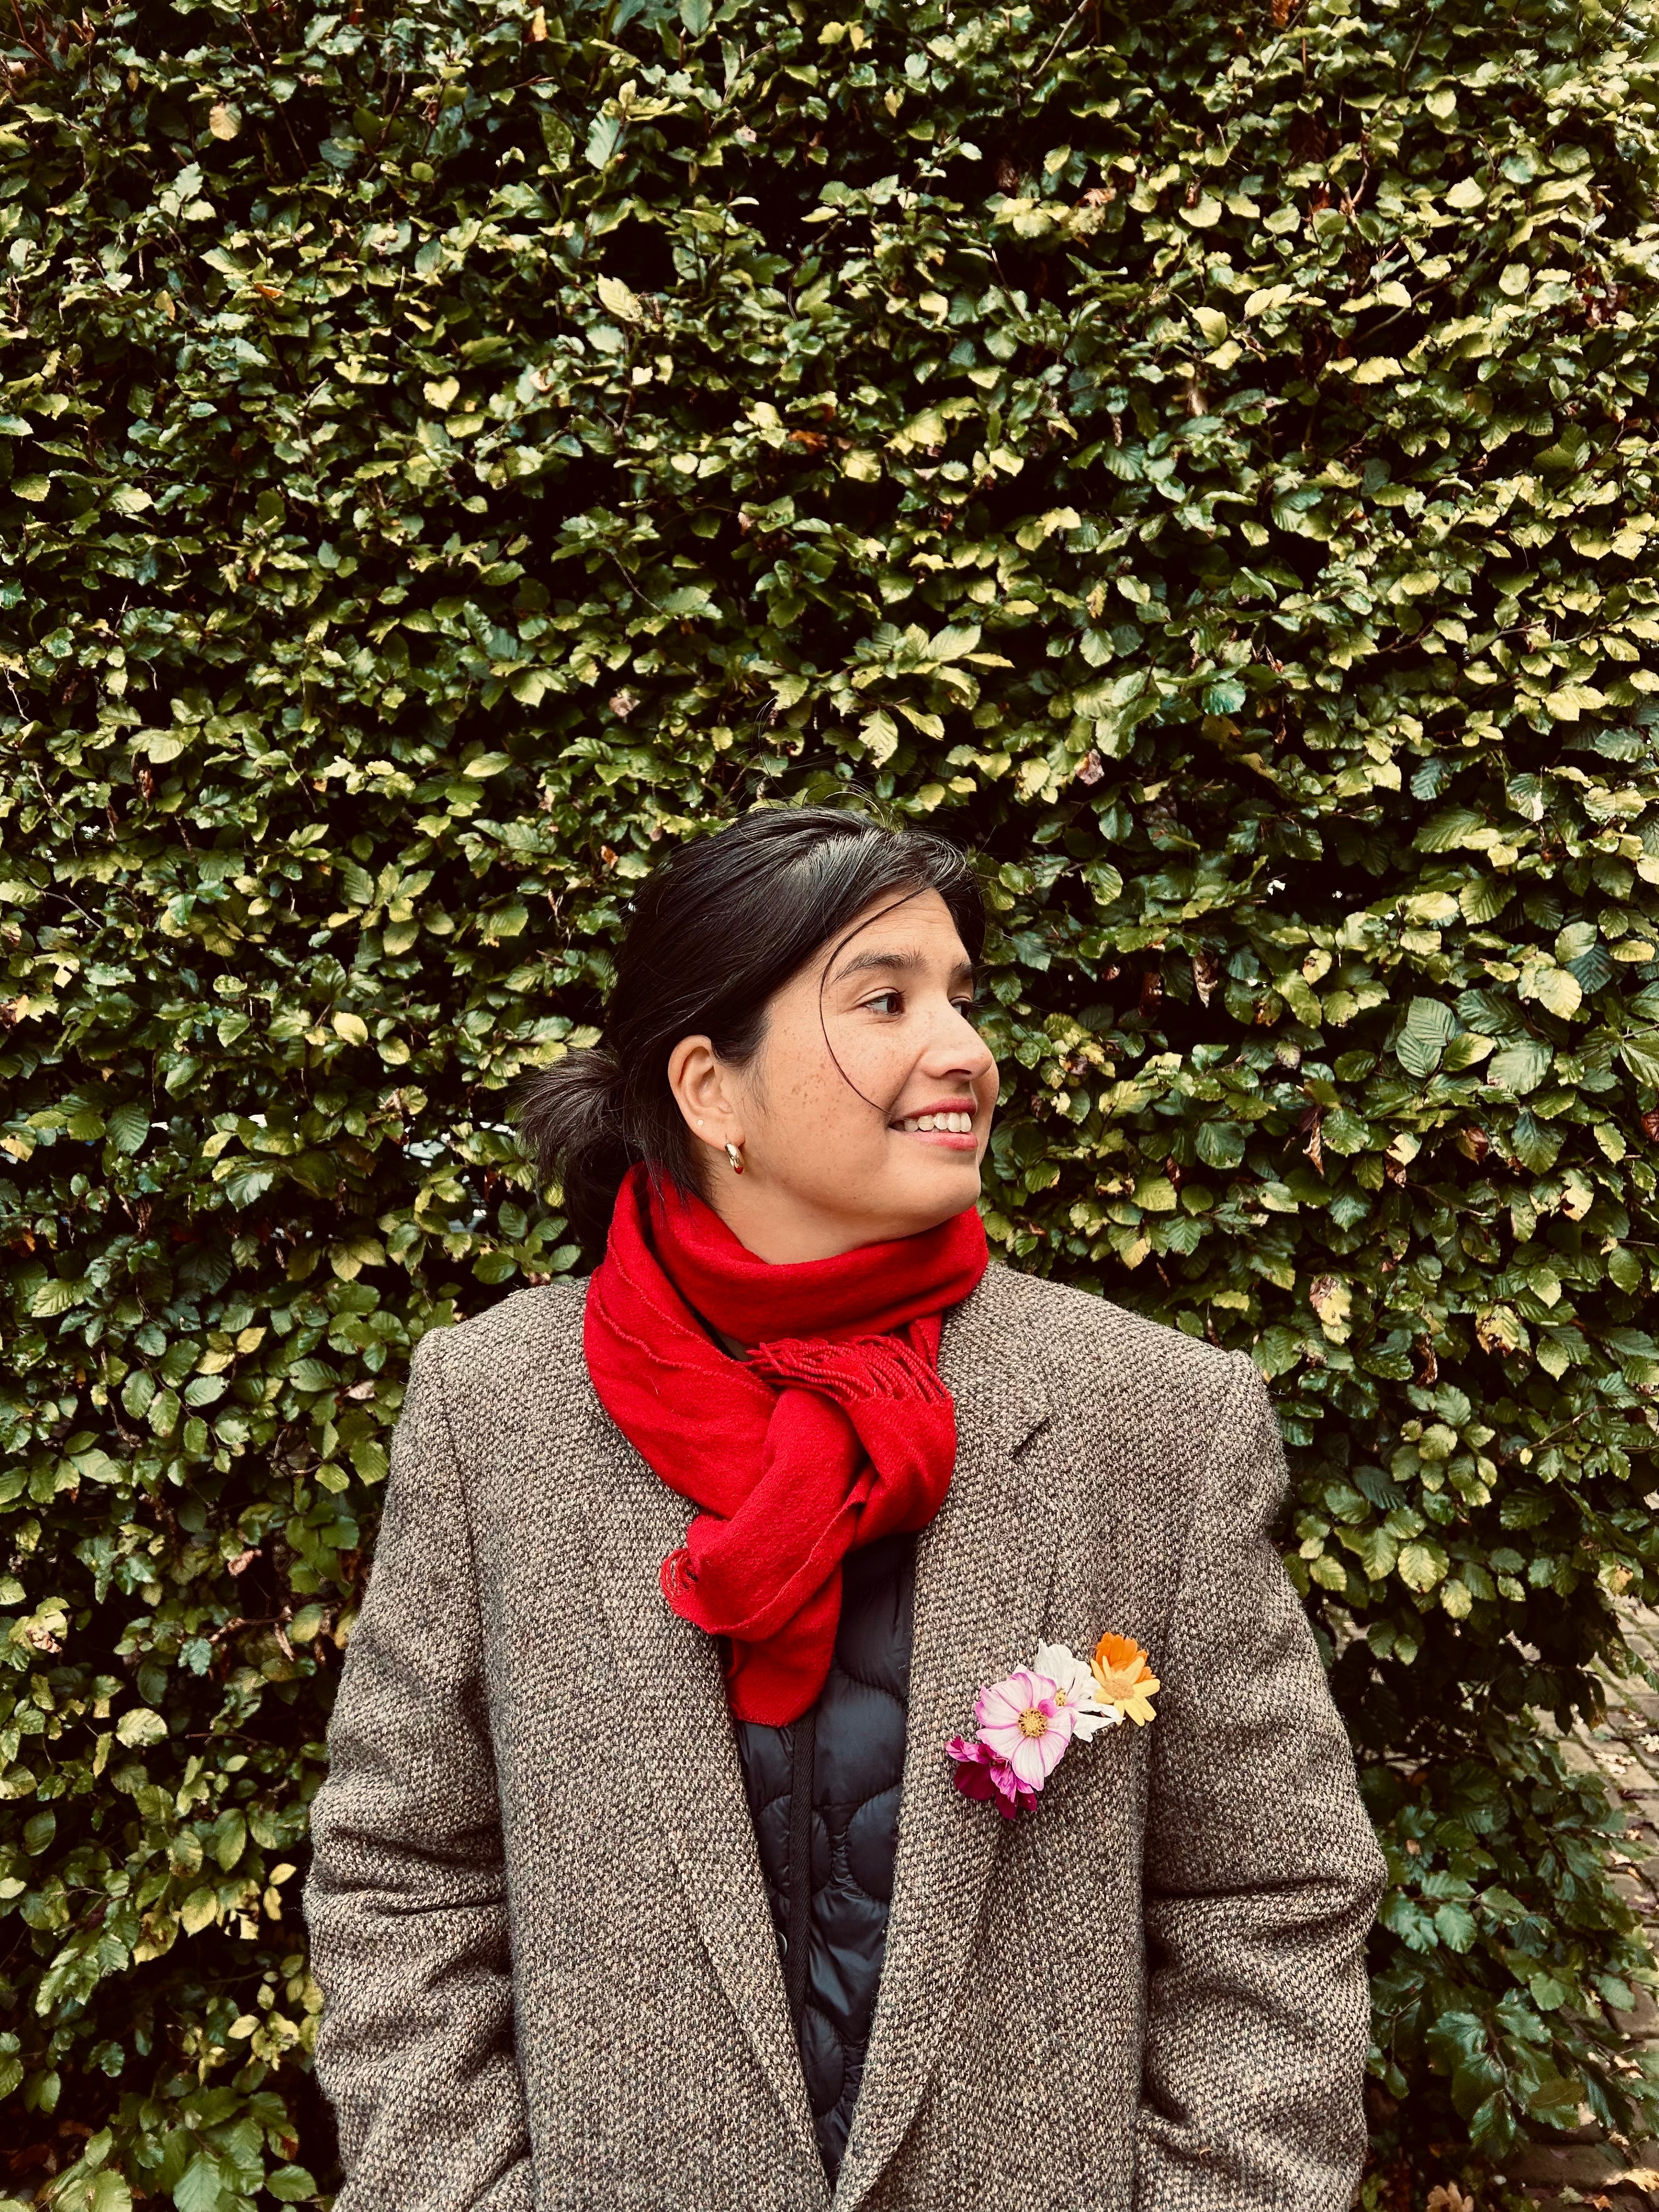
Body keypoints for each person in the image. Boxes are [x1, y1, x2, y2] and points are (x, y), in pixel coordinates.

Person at [304, 804, 1386, 2212]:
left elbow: (1271, 1893)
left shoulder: (1152, 1421)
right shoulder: (495, 1412)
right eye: (886, 1000)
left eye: (962, 1000)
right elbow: (401, 1874)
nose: (965, 1051)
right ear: (710, 1091)